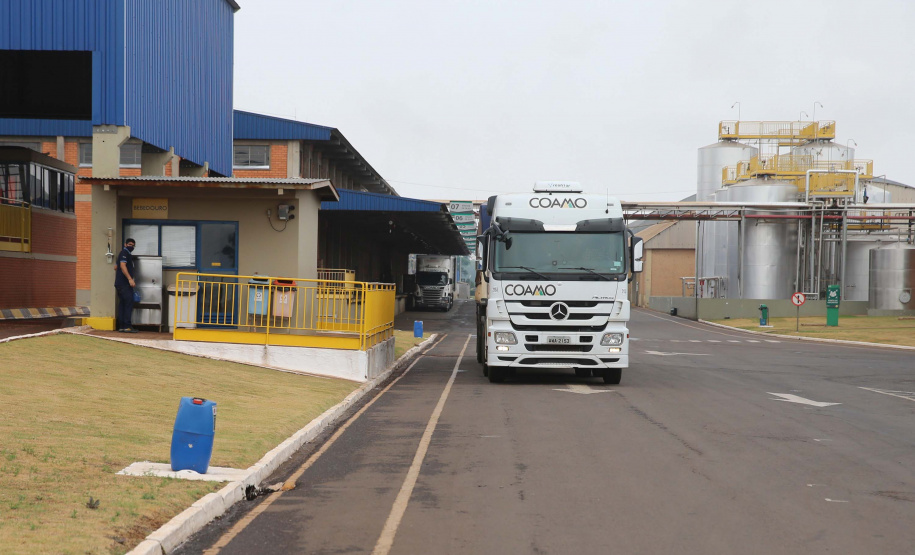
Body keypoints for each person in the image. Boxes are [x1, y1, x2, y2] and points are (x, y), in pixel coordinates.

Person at [114, 238, 138, 333]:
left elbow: (115, 267)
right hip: (124, 284)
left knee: (123, 304)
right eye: (130, 244)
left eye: (133, 245)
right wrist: (130, 279)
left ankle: (122, 326)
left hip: (120, 283)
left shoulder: (123, 253)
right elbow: (122, 266)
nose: (131, 246)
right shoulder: (125, 253)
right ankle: (127, 326)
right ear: (125, 244)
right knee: (128, 304)